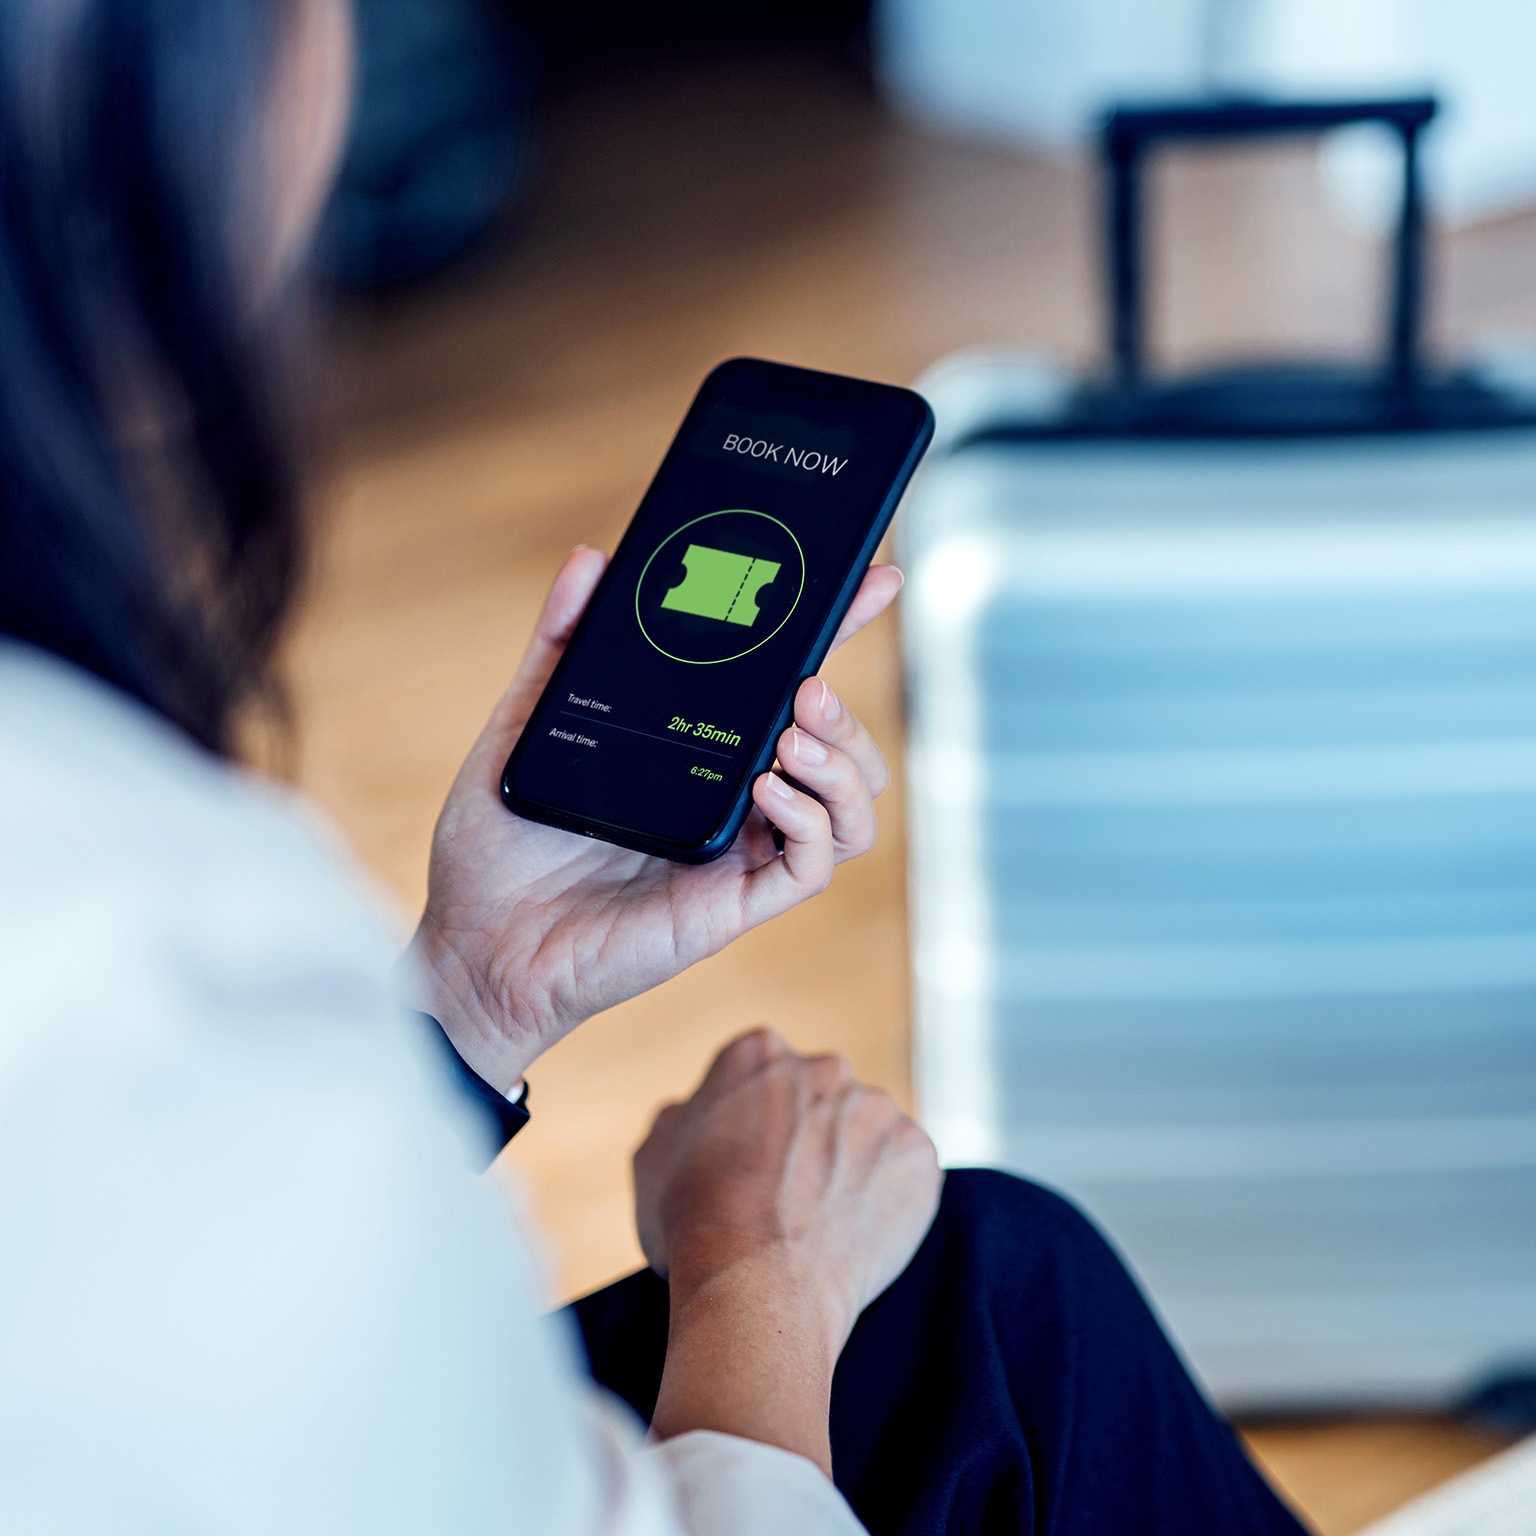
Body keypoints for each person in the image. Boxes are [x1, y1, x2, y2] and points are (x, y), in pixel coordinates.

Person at [0, 3, 1309, 1533]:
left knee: (989, 1286)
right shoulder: (159, 959)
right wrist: (758, 1274)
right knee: (1003, 1303)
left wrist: (470, 999)